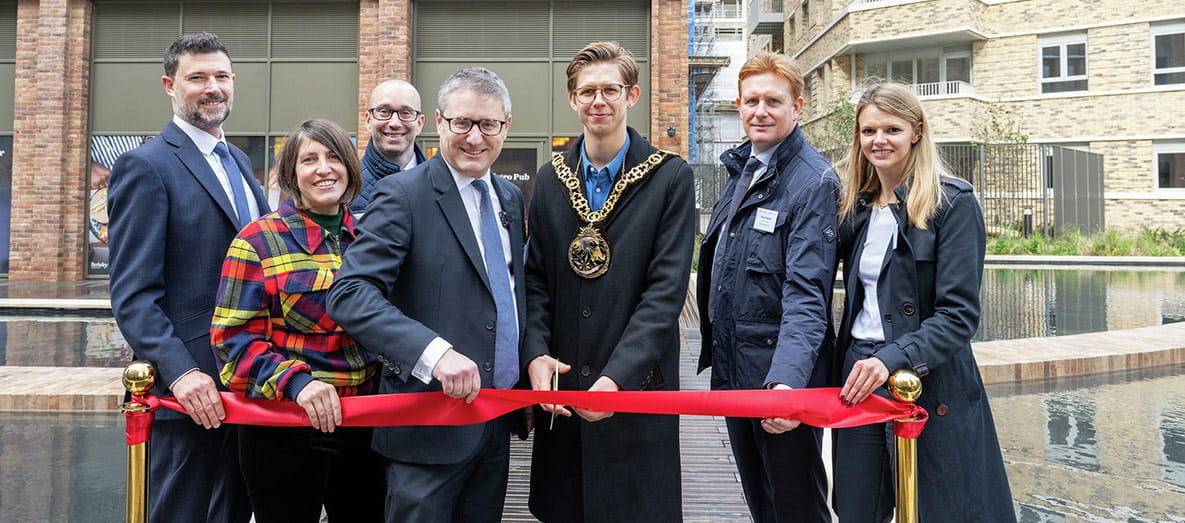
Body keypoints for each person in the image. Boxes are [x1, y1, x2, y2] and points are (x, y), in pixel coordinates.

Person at [326, 67, 528, 523]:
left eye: (488, 124)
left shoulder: (509, 199)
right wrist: (435, 354)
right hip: (427, 425)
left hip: (495, 421)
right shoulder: (402, 194)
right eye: (462, 122)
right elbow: (350, 293)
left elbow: (512, 294)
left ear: (506, 127)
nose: (474, 137)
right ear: (438, 121)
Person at [523, 41, 695, 522]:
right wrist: (535, 353)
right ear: (573, 99)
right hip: (564, 391)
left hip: (637, 390)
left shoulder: (670, 178)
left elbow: (664, 294)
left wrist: (617, 377)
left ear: (631, 95)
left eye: (610, 90)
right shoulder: (550, 179)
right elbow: (535, 280)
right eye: (587, 91)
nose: (598, 100)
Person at [831, 82, 1015, 522]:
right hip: (859, 375)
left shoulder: (952, 203)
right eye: (868, 130)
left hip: (927, 379)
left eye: (892, 129)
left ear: (916, 132)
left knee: (938, 511)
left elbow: (959, 316)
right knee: (856, 509)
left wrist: (890, 359)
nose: (878, 140)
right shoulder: (855, 207)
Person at [107, 32, 265, 523]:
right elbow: (134, 295)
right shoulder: (145, 166)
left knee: (234, 512)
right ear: (169, 86)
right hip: (190, 391)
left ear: (234, 82)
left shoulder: (239, 161)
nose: (212, 87)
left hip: (248, 379)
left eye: (221, 76)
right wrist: (180, 373)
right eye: (197, 77)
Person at [210, 119, 384, 523]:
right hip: (286, 425)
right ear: (291, 172)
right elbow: (232, 344)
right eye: (309, 160)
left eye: (334, 157)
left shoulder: (371, 239)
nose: (324, 169)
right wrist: (296, 383)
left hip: (365, 422)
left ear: (350, 168)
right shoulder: (255, 241)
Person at [695, 52, 839, 523]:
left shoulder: (813, 182)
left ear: (797, 107)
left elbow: (807, 296)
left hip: (779, 383)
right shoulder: (744, 170)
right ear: (738, 104)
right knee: (762, 505)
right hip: (738, 375)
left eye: (773, 101)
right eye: (752, 100)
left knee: (796, 509)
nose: (761, 111)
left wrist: (787, 386)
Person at [349, 79, 427, 214]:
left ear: (419, 124)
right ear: (368, 120)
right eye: (384, 111)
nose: (394, 123)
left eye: (406, 113)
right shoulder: (346, 188)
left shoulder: (443, 186)